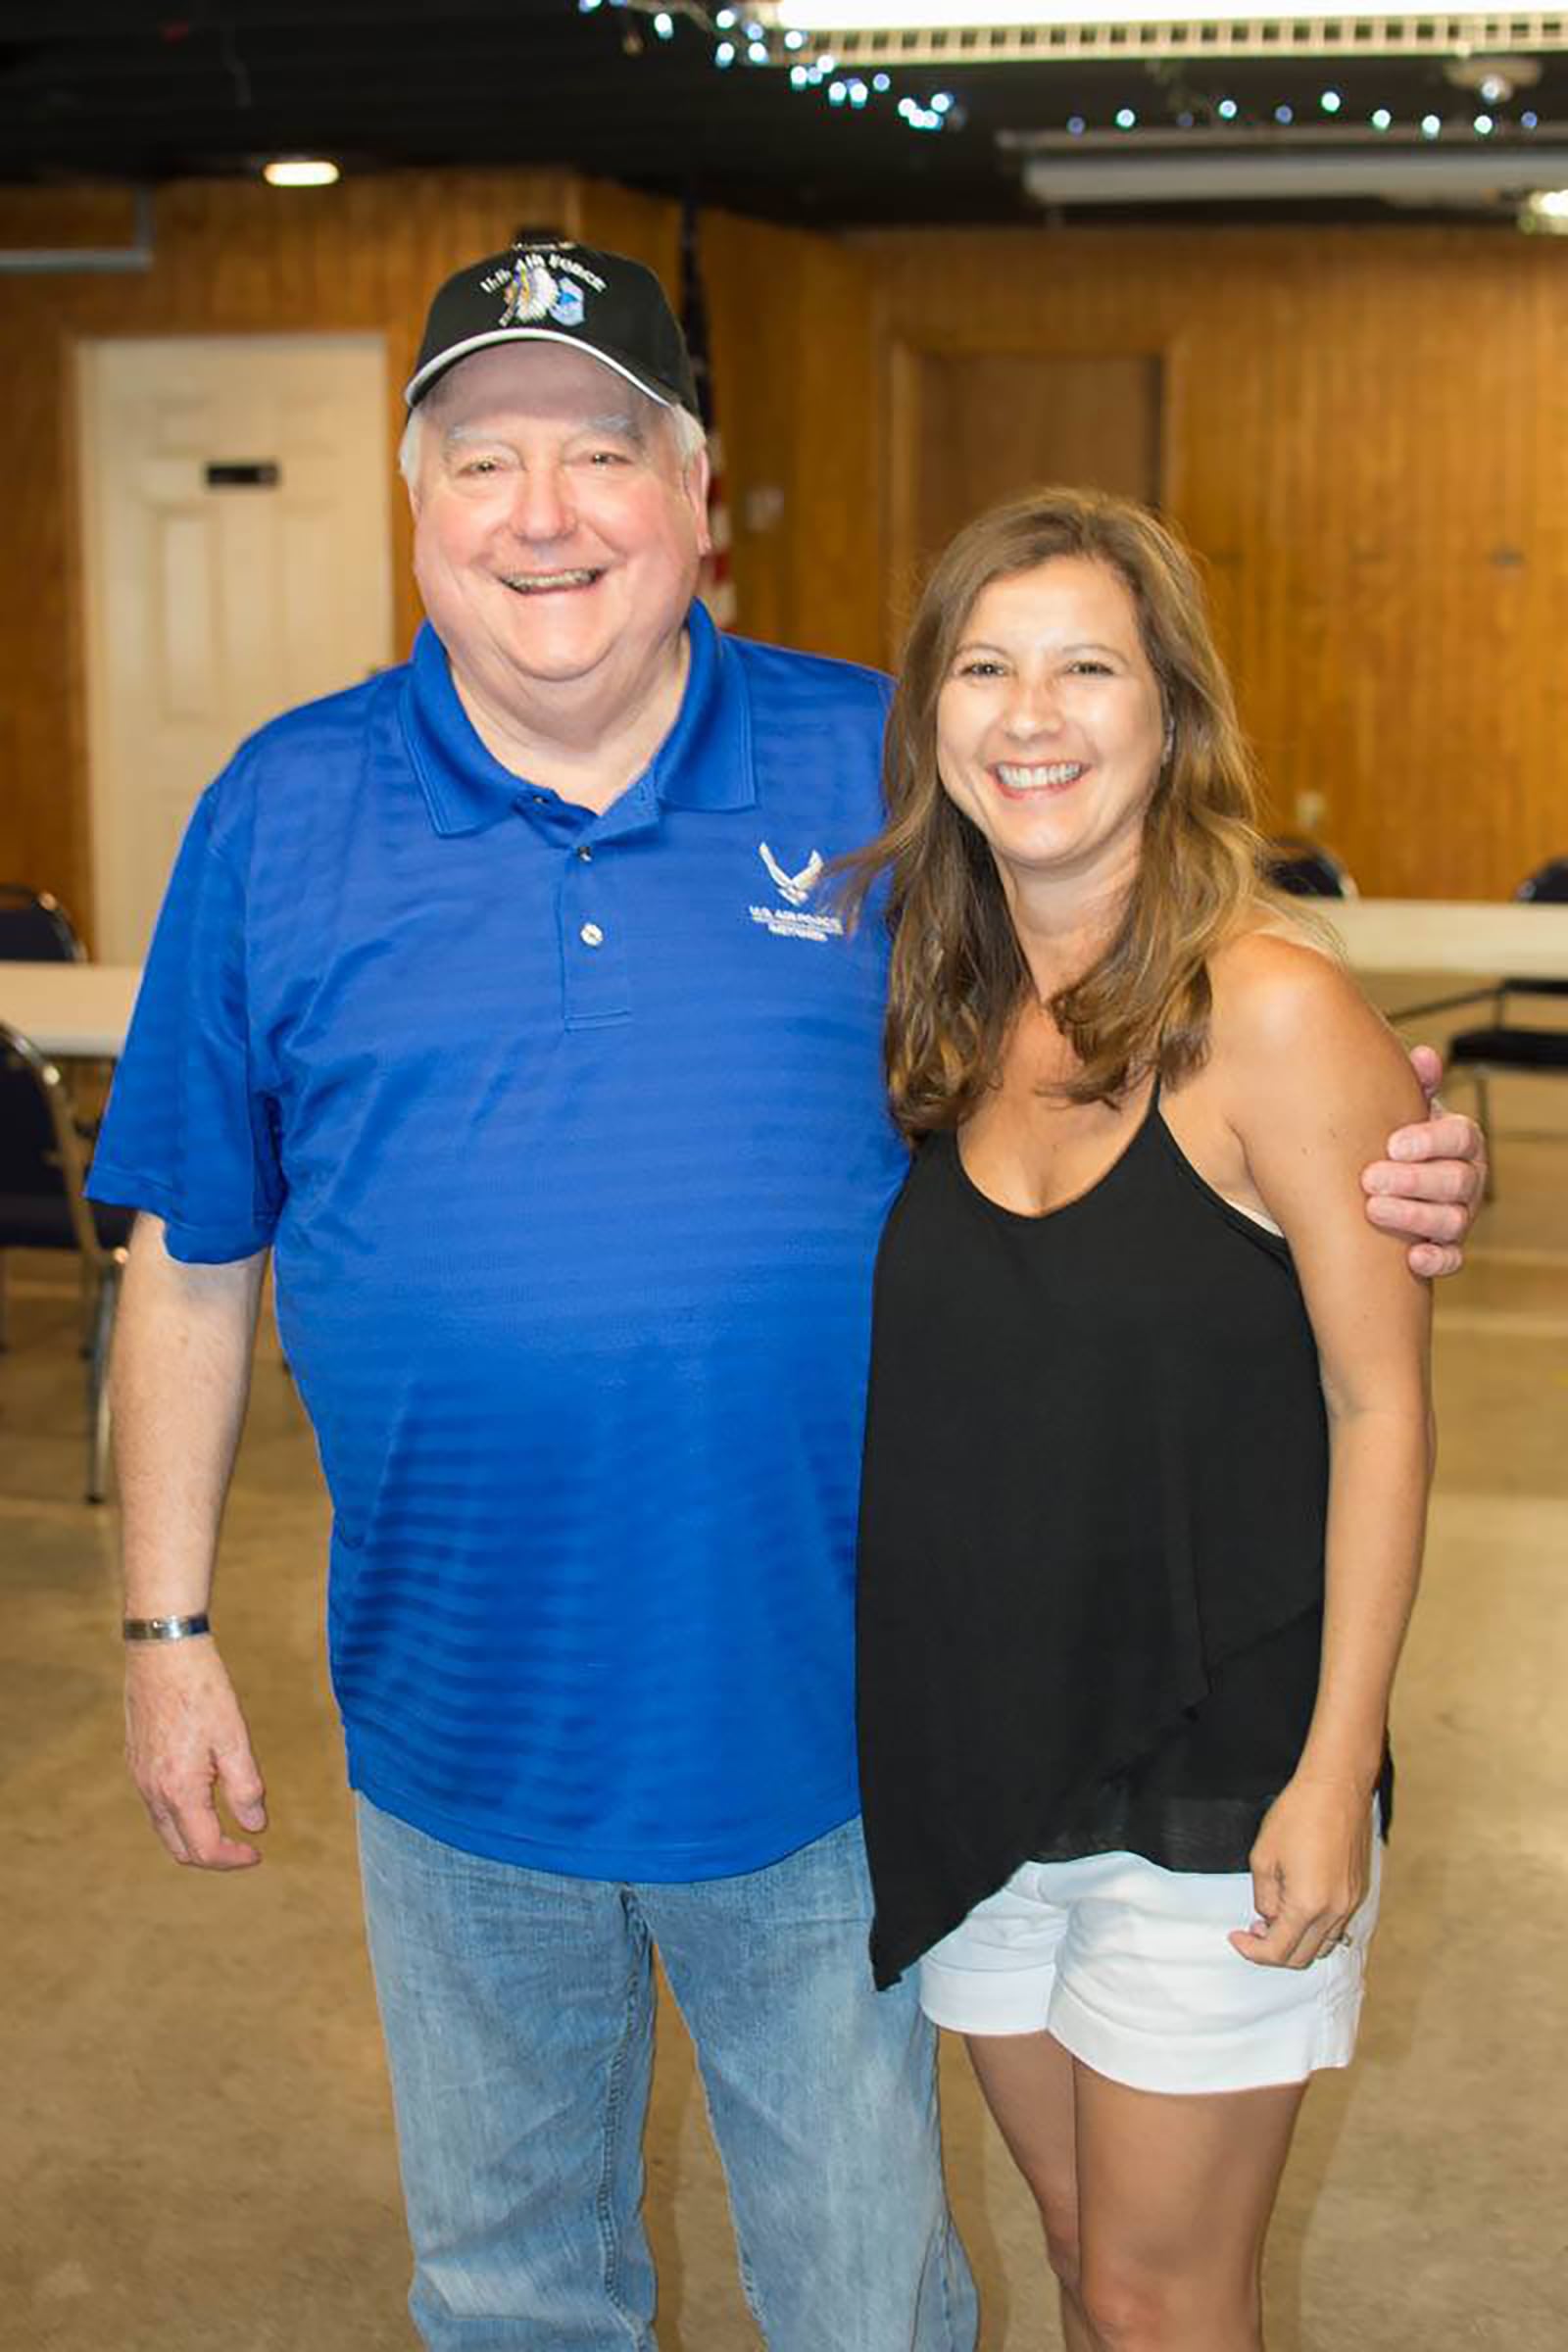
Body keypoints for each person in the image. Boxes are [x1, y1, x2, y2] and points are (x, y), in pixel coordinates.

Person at [88, 243, 1478, 2352]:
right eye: (482, 461)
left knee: (860, 2294)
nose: (541, 514)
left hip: (835, 1724)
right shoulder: (279, 815)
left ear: (695, 497)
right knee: (505, 2284)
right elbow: (190, 1259)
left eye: (600, 455)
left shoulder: (883, 779)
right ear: (415, 508)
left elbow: (1147, 1002)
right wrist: (167, 1632)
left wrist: (1381, 1150)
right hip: (456, 1734)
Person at [851, 487, 1436, 2352]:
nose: (1032, 714)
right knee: (1082, 2248)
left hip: (1217, 1763)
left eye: (1087, 666)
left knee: (1158, 2293)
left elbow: (1383, 1404)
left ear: (1169, 716)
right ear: (933, 719)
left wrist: (1336, 1772)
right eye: (987, 666)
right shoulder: (936, 1009)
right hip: (990, 1750)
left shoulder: (1270, 1010)